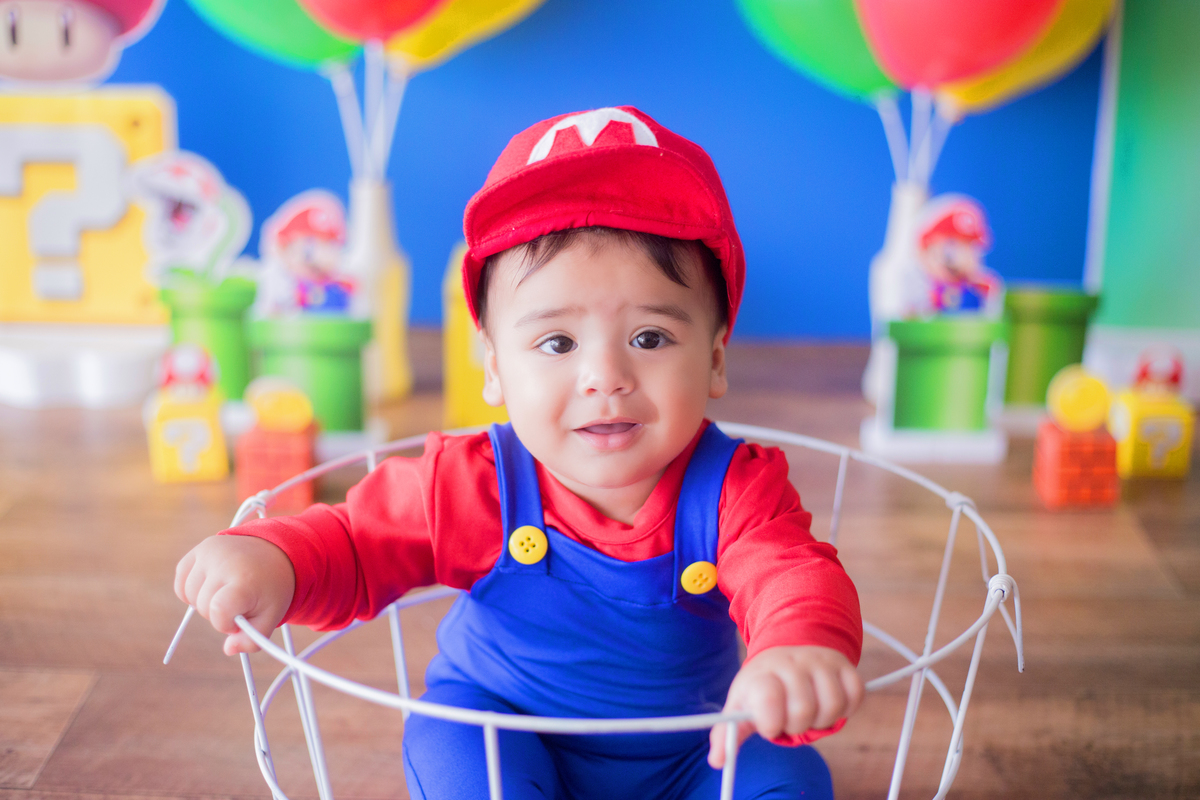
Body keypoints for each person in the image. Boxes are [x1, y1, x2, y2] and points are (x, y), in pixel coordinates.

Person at [175, 106, 863, 799]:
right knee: (456, 750)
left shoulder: (735, 491)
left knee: (788, 776)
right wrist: (277, 560)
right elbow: (357, 540)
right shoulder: (476, 483)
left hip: (694, 750)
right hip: (503, 728)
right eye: (557, 343)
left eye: (650, 338)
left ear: (715, 359)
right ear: (496, 369)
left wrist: (794, 649)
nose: (605, 377)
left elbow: (789, 572)